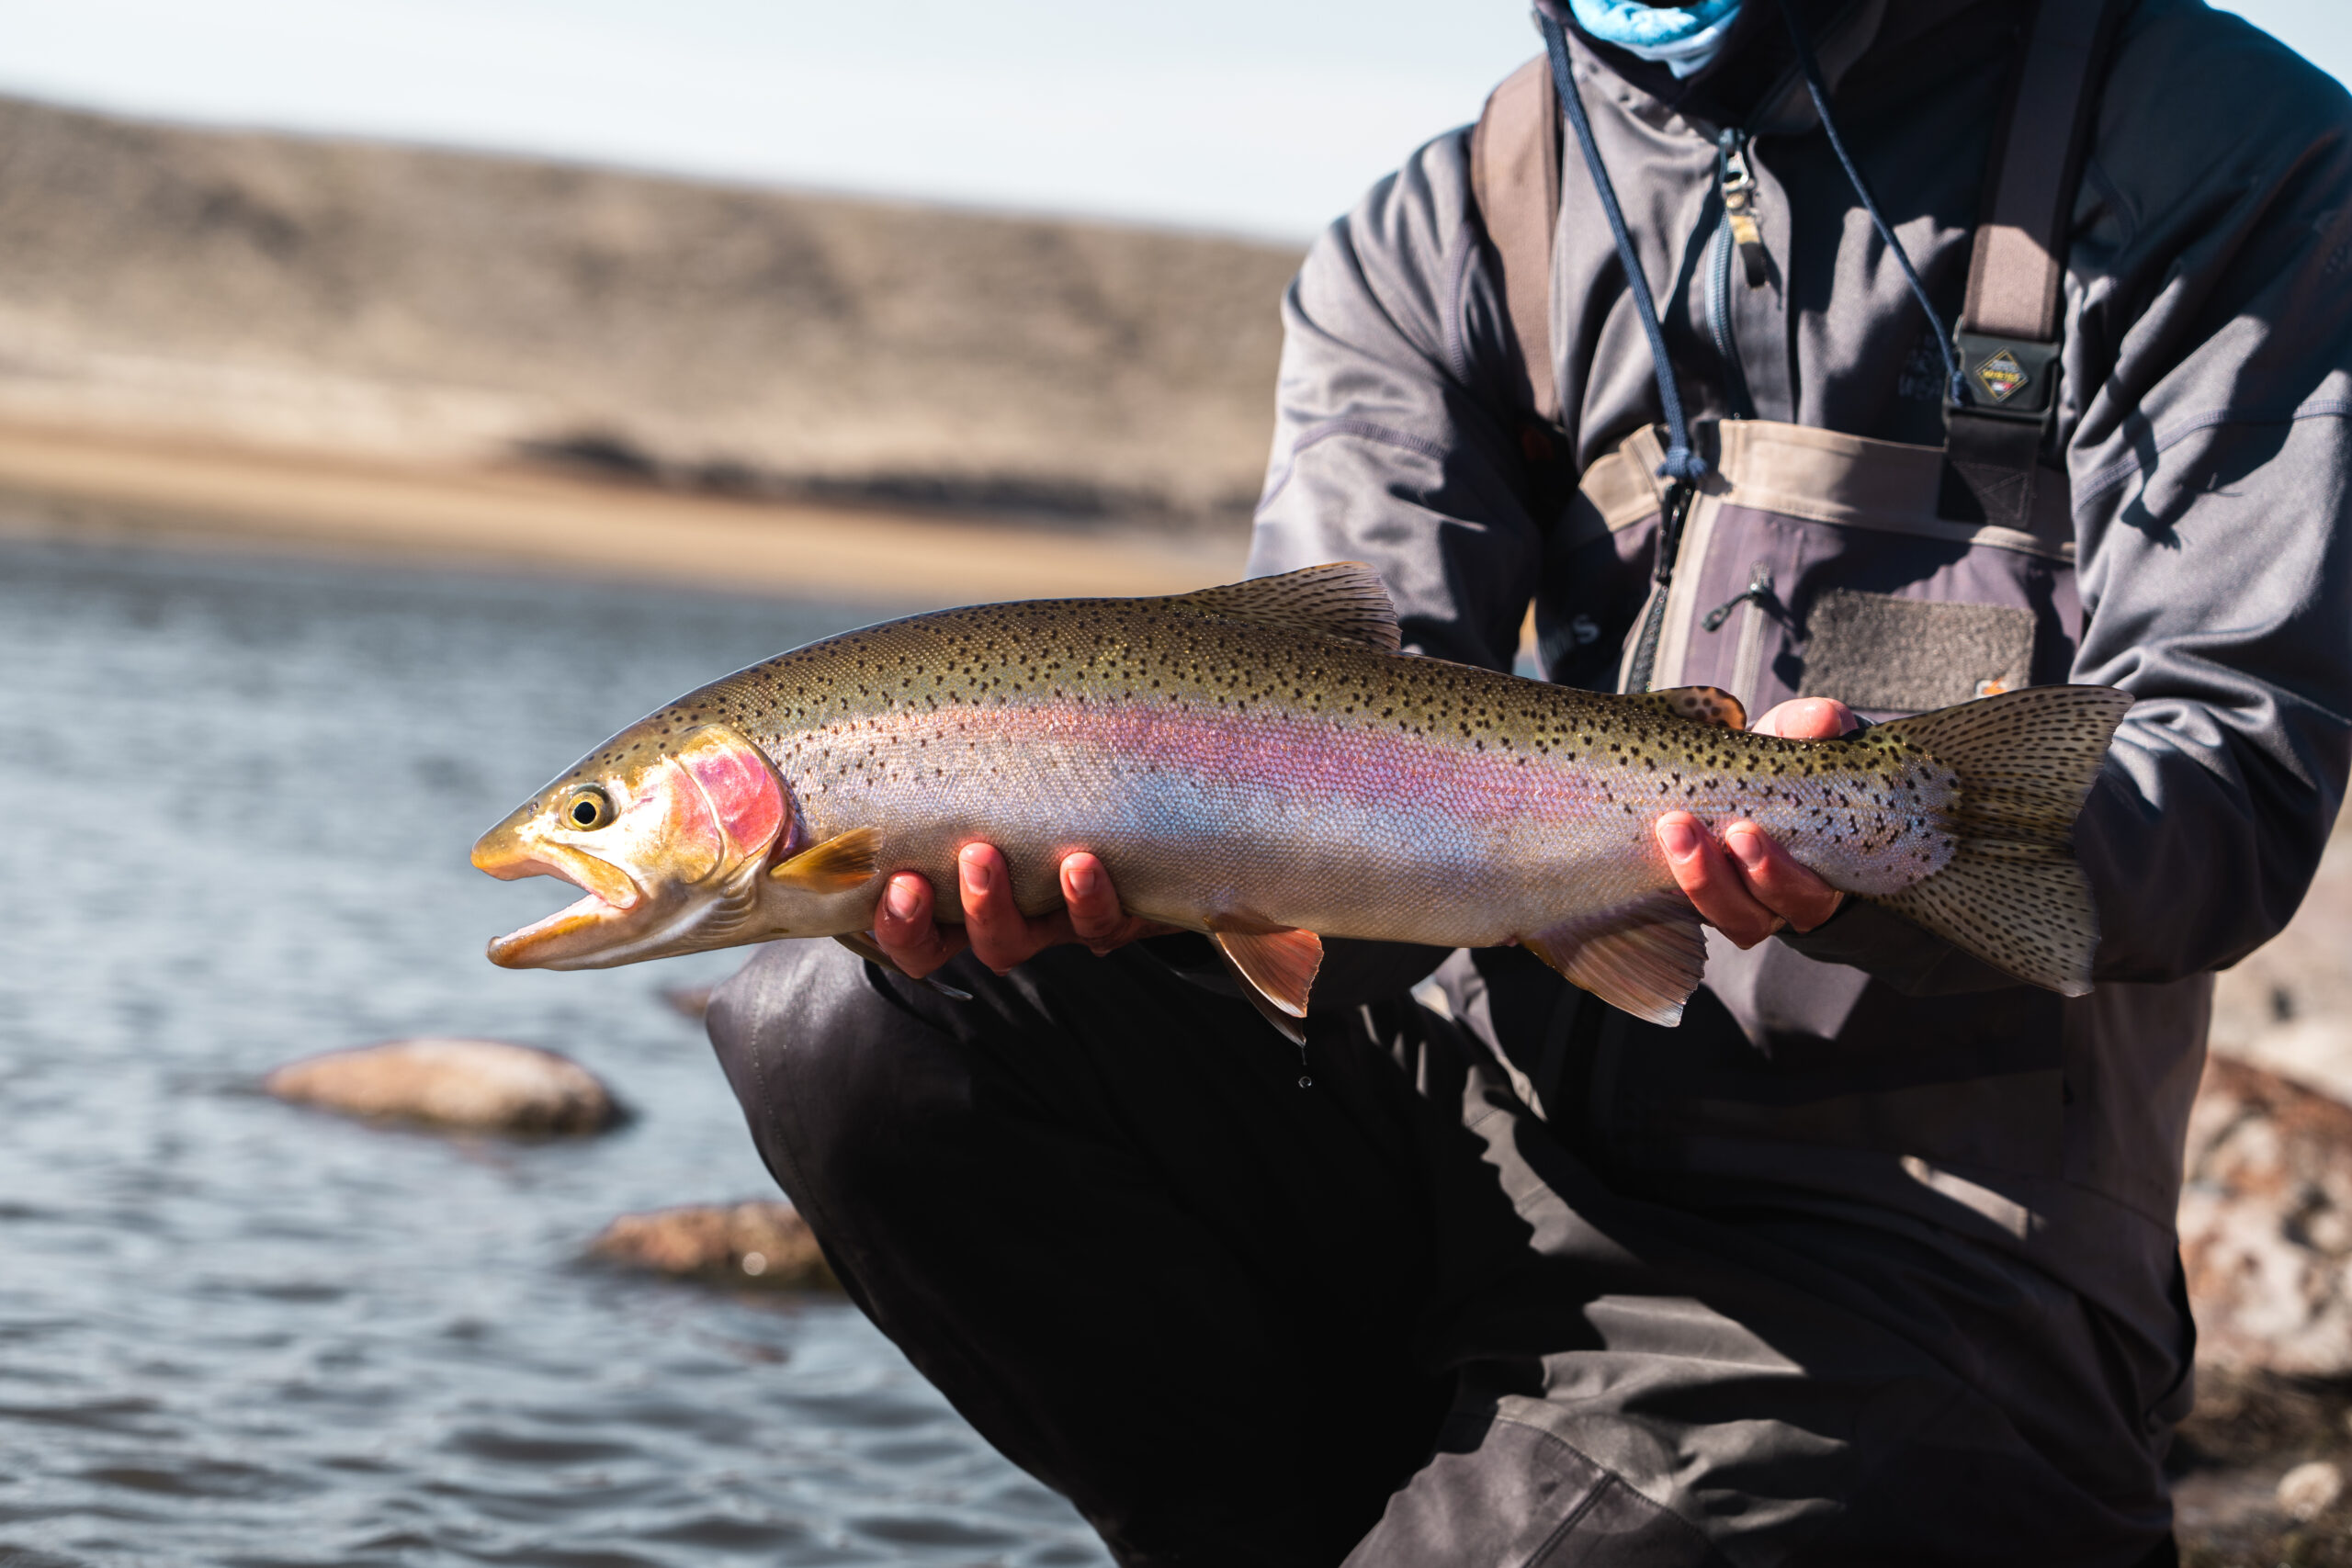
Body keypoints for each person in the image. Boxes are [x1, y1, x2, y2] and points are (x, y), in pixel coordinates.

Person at [706, 0, 2352, 1561]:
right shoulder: (1454, 222)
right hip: (1479, 1135)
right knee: (834, 1017)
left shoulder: (2224, 146)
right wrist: (1125, 886)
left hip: (1922, 1241)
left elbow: (2230, 770)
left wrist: (1884, 838)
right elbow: (1323, 735)